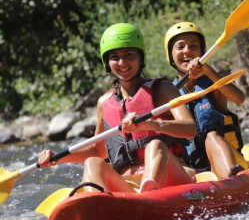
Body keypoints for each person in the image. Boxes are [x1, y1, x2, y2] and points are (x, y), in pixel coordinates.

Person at [38, 23, 197, 193]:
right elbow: (97, 150)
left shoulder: (162, 89)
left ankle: (148, 197)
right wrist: (58, 158)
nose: (122, 62)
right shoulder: (104, 102)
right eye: (114, 57)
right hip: (128, 185)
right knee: (92, 162)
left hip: (171, 177)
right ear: (107, 62)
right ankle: (96, 205)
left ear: (140, 57)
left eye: (129, 55)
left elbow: (190, 128)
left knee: (155, 145)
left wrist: (153, 125)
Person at [164, 21, 248, 179]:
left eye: (193, 46)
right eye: (180, 47)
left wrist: (208, 71)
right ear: (171, 55)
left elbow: (239, 99)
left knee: (212, 137)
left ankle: (232, 180)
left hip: (228, 159)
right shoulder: (167, 92)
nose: (187, 51)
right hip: (191, 170)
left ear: (202, 51)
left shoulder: (216, 81)